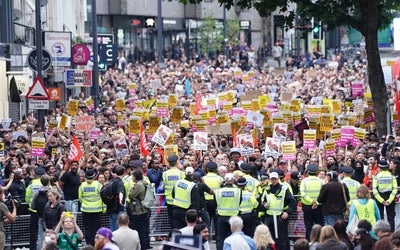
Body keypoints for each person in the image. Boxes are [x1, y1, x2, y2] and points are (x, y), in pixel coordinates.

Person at [262, 171, 297, 250]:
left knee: (282, 239)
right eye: (272, 179)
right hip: (269, 217)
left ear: (278, 179)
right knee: (269, 239)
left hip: (280, 218)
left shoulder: (284, 189)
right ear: (270, 179)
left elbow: (293, 202)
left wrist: (287, 212)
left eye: (275, 179)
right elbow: (262, 201)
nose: (273, 180)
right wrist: (264, 204)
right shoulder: (267, 189)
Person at [215, 173, 241, 250]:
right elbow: (239, 201)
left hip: (221, 216)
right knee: (234, 237)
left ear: (225, 181)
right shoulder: (238, 191)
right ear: (233, 180)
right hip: (234, 217)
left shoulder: (218, 191)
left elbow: (215, 202)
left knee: (221, 238)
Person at [78, 168, 103, 246]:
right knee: (96, 229)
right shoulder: (98, 185)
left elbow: (80, 197)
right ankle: (96, 244)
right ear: (94, 176)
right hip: (97, 210)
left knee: (88, 229)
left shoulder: (82, 185)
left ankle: (89, 244)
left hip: (85, 210)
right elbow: (103, 196)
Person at [300, 164, 324, 240]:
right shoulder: (321, 181)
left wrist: (311, 202)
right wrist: (316, 202)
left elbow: (303, 194)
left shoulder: (304, 181)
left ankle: (309, 243)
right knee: (320, 225)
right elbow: (323, 194)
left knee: (308, 226)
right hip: (318, 206)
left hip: (307, 206)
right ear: (317, 172)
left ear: (308, 172)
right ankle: (320, 242)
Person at [372, 159, 397, 232]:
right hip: (390, 198)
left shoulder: (377, 177)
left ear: (379, 167)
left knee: (380, 218)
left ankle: (381, 234)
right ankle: (392, 234)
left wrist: (381, 200)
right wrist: (389, 200)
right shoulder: (392, 176)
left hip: (379, 198)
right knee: (391, 218)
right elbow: (395, 189)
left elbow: (374, 190)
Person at [128, 169, 150, 250]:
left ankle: (142, 247)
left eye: (133, 176)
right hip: (144, 209)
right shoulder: (144, 182)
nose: (132, 177)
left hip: (139, 210)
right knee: (144, 229)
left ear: (135, 176)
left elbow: (131, 195)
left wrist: (132, 189)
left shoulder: (138, 185)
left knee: (140, 230)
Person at [162, 154, 185, 229]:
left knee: (172, 221)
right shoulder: (181, 173)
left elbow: (164, 184)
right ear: (177, 162)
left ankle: (174, 236)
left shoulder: (165, 174)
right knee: (180, 221)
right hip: (179, 201)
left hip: (169, 201)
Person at [27, 167, 45, 250]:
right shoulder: (46, 183)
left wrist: (29, 203)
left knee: (33, 232)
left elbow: (27, 196)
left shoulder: (31, 183)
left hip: (33, 210)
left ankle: (33, 248)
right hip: (43, 210)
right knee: (43, 230)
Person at [107, 165, 126, 231]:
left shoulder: (111, 181)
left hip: (111, 208)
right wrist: (121, 200)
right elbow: (120, 192)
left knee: (112, 227)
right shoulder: (120, 183)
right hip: (118, 208)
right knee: (118, 228)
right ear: (124, 173)